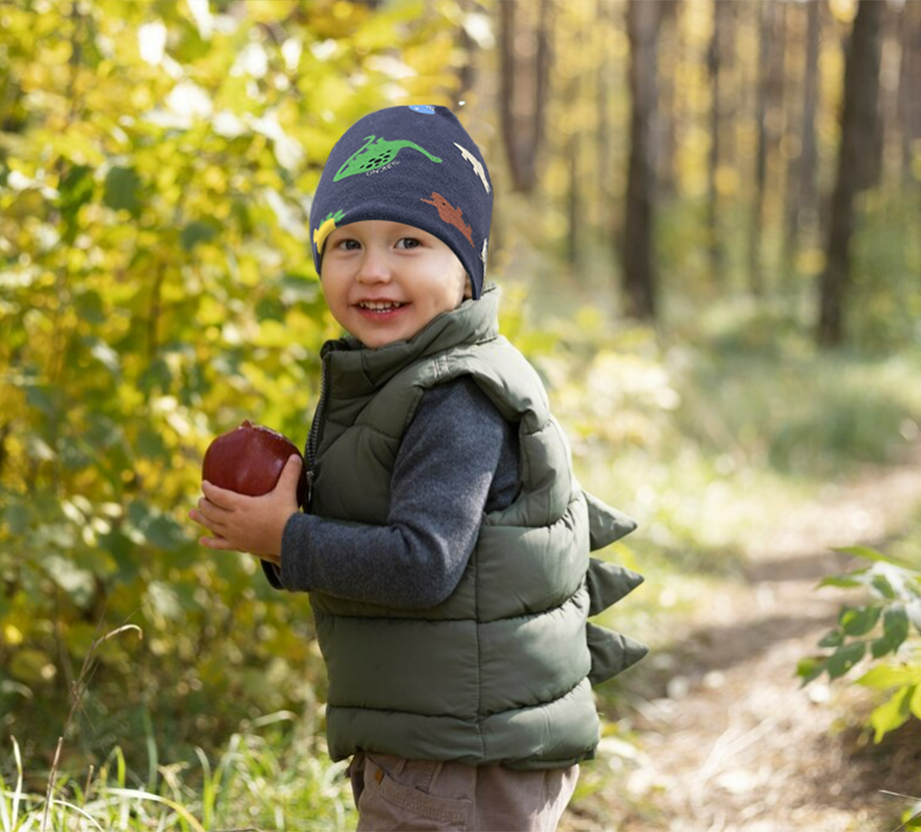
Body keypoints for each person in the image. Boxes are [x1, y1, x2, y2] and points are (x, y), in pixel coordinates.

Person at [189, 104, 645, 832]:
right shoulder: (400, 380)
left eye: (409, 241)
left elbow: (421, 564)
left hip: (462, 749)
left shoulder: (455, 398)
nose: (374, 269)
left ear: (465, 272)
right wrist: (280, 530)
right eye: (347, 245)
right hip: (442, 729)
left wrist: (289, 540)